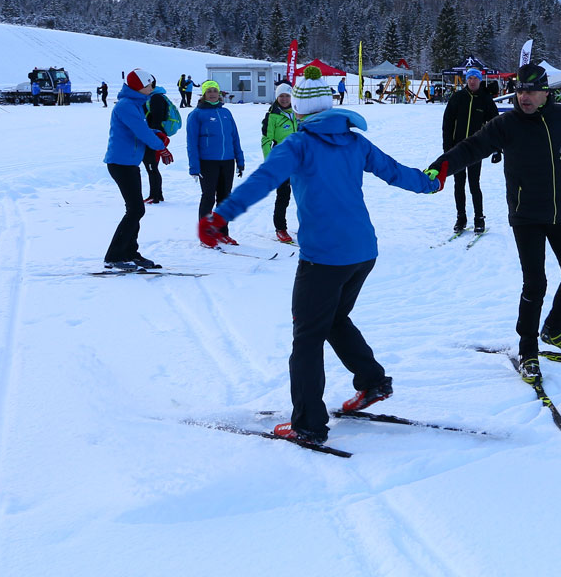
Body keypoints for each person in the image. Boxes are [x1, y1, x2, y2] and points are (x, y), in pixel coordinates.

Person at [198, 69, 441, 445]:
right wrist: (429, 182)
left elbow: (262, 181)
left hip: (324, 258)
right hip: (363, 252)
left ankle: (308, 424)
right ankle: (373, 382)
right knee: (333, 319)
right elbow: (394, 173)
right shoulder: (354, 142)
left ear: (301, 108)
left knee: (308, 336)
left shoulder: (298, 144)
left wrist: (220, 216)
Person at [428, 63, 561, 384]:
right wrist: (441, 167)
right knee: (535, 284)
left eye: (531, 90)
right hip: (526, 216)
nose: (524, 96)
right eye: (520, 90)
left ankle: (553, 329)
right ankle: (528, 350)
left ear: (545, 92)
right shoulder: (506, 124)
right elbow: (471, 147)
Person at [102, 70, 172, 269]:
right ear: (139, 87)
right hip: (120, 163)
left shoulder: (135, 104)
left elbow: (141, 130)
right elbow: (139, 131)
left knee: (135, 210)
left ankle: (129, 252)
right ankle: (114, 256)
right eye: (149, 85)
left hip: (130, 163)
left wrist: (156, 133)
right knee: (135, 210)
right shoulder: (126, 106)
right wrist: (161, 147)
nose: (152, 88)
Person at [441, 67, 499, 234]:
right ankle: (461, 217)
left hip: (476, 149)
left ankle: (479, 218)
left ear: (480, 80)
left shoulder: (485, 99)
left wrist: (496, 149)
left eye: (475, 78)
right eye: (470, 78)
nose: (472, 81)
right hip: (457, 149)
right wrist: (447, 148)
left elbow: (495, 125)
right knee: (459, 184)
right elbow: (448, 124)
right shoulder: (458, 98)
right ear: (466, 80)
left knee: (474, 184)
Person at [186, 79, 245, 241]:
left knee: (225, 198)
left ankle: (222, 233)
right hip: (207, 162)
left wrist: (239, 160)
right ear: (204, 94)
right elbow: (191, 143)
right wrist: (194, 167)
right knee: (208, 197)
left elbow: (234, 137)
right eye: (209, 91)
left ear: (219, 94)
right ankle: (206, 234)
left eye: (215, 91)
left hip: (227, 161)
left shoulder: (226, 113)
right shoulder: (196, 115)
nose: (212, 94)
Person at [261, 83, 300, 243]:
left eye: (287, 96)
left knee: (305, 195)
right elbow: (266, 141)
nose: (284, 99)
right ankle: (281, 228)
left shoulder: (298, 113)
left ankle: (308, 225)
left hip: (300, 160)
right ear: (277, 98)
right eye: (281, 96)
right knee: (283, 196)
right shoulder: (272, 116)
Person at [142, 83, 175, 204]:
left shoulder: (156, 98)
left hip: (154, 136)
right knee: (151, 167)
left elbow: (156, 120)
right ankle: (156, 194)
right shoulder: (154, 97)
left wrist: (152, 137)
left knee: (152, 167)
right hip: (153, 136)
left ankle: (155, 196)